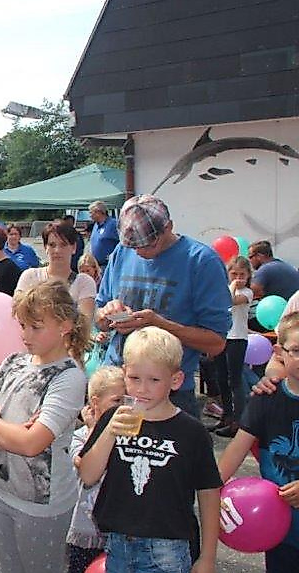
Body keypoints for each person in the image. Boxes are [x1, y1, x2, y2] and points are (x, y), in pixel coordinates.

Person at [0, 280, 90, 573]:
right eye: (22, 326)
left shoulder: (69, 377)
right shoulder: (12, 362)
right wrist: (10, 433)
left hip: (42, 507)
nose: (24, 335)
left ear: (65, 326)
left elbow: (32, 444)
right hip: (2, 493)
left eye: (35, 327)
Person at [78, 327, 221, 573]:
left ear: (175, 380)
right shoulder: (114, 417)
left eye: (154, 380)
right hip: (118, 542)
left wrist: (208, 556)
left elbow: (209, 493)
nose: (142, 389)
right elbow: (88, 474)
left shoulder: (191, 431)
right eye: (134, 379)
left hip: (167, 548)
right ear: (124, 374)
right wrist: (110, 430)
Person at [96, 194, 231, 419]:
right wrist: (107, 314)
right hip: (116, 384)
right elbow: (99, 317)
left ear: (168, 227)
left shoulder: (201, 262)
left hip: (170, 392)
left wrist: (159, 324)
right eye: (133, 246)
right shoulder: (122, 252)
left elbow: (216, 343)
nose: (139, 252)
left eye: (148, 245)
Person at [218, 311, 299, 573]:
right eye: (296, 350)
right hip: (279, 532)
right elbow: (234, 453)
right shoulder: (265, 399)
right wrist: (207, 490)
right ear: (279, 352)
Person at [66, 366, 125, 573]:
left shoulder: (130, 433)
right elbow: (82, 463)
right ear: (95, 402)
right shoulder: (81, 435)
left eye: (127, 400)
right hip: (87, 531)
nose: (123, 406)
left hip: (118, 529)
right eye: (117, 400)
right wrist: (93, 430)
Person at [206, 256, 254, 437]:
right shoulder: (223, 289)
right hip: (222, 336)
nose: (238, 278)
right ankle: (226, 416)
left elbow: (230, 301)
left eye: (242, 274)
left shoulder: (247, 292)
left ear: (248, 276)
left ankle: (238, 421)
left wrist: (233, 285)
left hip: (237, 338)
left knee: (235, 380)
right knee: (221, 378)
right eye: (234, 274)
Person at [16, 222, 96, 319]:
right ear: (45, 247)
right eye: (52, 245)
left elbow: (85, 322)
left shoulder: (84, 282)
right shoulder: (30, 276)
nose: (57, 250)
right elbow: (18, 314)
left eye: (63, 245)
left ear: (73, 248)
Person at [88, 200, 118, 272]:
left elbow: (122, 242)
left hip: (109, 266)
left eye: (91, 212)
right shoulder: (95, 226)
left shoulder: (113, 224)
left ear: (98, 212)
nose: (90, 215)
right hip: (96, 267)